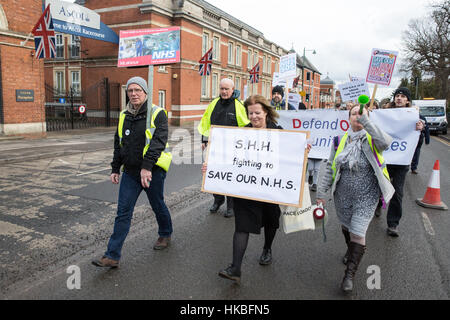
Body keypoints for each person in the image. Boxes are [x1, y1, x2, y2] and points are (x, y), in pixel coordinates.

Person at [202, 95, 311, 284]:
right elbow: (228, 159)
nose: (253, 117)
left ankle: (267, 248)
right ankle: (235, 268)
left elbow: (291, 158)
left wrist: (303, 150)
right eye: (250, 113)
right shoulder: (241, 134)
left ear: (266, 112)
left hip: (270, 190)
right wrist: (211, 166)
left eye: (257, 113)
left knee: (271, 222)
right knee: (241, 226)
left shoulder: (279, 132)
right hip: (246, 190)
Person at [92, 77, 173, 268]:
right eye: (130, 91)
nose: (134, 94)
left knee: (157, 204)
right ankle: (112, 255)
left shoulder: (157, 113)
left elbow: (158, 143)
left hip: (152, 171)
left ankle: (165, 233)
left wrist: (146, 167)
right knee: (123, 212)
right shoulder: (123, 115)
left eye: (138, 90)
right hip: (130, 172)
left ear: (145, 92)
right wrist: (115, 168)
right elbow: (119, 143)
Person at [316, 104, 395, 293]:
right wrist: (321, 193)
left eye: (362, 114)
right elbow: (329, 167)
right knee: (347, 228)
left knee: (358, 232)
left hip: (366, 197)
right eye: (354, 114)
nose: (357, 117)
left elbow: (385, 143)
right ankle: (351, 250)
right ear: (348, 118)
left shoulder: (373, 139)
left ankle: (349, 275)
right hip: (343, 195)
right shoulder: (339, 140)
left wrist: (365, 120)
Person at [198, 78, 250, 218]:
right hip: (215, 148)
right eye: (222, 88)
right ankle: (218, 199)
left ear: (233, 90)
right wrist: (204, 139)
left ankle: (231, 206)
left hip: (233, 149)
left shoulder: (238, 105)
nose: (224, 91)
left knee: (230, 177)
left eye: (227, 89)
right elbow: (206, 122)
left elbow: (246, 126)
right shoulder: (214, 103)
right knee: (214, 175)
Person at [382, 87, 425, 236]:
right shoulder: (384, 114)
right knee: (378, 188)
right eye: (397, 96)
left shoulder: (415, 116)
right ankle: (375, 207)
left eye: (402, 96)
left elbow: (418, 141)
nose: (399, 98)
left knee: (397, 192)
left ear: (407, 100)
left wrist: (421, 128)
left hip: (401, 162)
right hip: (384, 160)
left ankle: (393, 224)